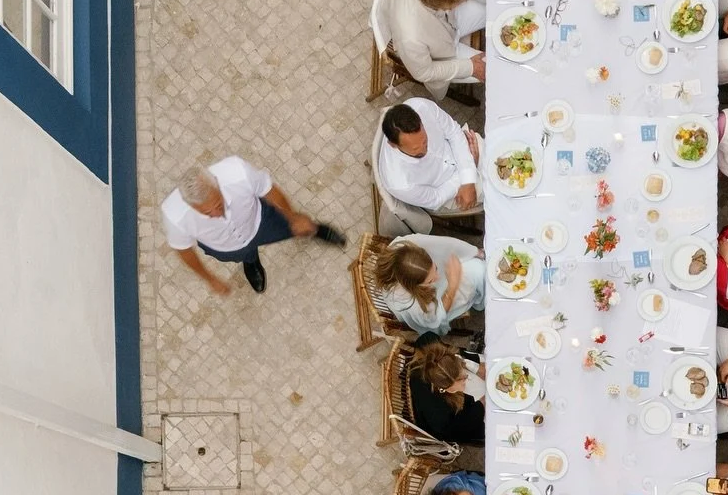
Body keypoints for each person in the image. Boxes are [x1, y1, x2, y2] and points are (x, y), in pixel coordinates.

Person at [161, 158, 346, 296]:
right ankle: (251, 262)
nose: (216, 214)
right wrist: (210, 279)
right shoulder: (174, 215)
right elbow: (184, 250)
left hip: (260, 221)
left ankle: (315, 230)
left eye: (218, 204)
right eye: (206, 213)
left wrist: (294, 217)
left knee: (293, 227)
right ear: (190, 206)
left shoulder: (237, 172)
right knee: (245, 254)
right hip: (225, 246)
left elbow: (270, 191)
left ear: (217, 184)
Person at [389, 0, 486, 99]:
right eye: (456, 2)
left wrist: (491, 0)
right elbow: (423, 72)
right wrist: (470, 67)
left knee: (497, 6)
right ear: (438, 5)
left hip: (453, 21)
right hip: (442, 56)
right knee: (492, 68)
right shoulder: (410, 37)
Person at [375, 100, 482, 221]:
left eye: (425, 141)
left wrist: (468, 170)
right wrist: (468, 173)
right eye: (415, 148)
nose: (423, 149)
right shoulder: (400, 183)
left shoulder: (422, 107)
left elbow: (453, 132)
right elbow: (437, 197)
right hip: (450, 192)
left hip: (461, 151)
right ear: (394, 145)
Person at [362, 233, 486, 335]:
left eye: (435, 268)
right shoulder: (409, 303)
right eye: (430, 281)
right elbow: (436, 316)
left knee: (477, 267)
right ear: (413, 286)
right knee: (478, 272)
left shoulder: (402, 245)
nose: (437, 277)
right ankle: (482, 301)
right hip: (436, 305)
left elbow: (441, 243)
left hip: (432, 289)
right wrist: (452, 286)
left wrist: (473, 252)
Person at [409, 337, 486, 446]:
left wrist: (471, 366)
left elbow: (426, 337)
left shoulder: (431, 366)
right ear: (446, 388)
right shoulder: (441, 416)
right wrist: (484, 401)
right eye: (462, 379)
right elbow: (458, 429)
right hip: (451, 431)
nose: (466, 378)